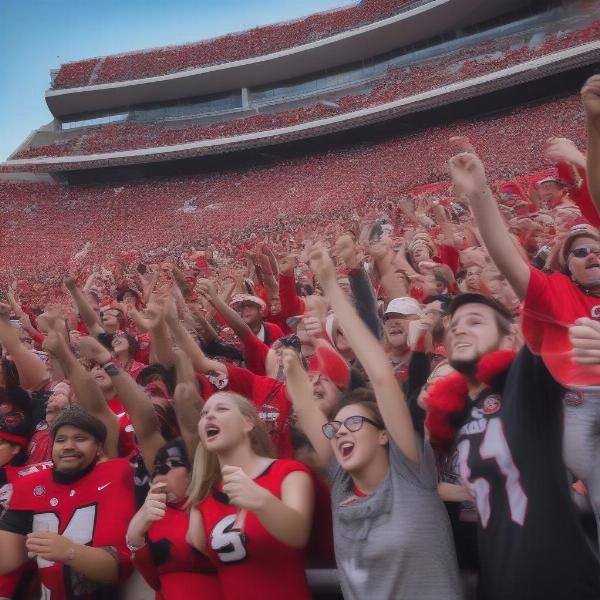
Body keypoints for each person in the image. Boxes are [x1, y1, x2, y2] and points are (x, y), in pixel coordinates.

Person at [284, 244, 462, 600]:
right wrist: (292, 370)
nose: (339, 433)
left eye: (354, 424)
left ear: (384, 435)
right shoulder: (340, 482)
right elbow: (305, 409)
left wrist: (331, 285)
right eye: (336, 428)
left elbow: (381, 376)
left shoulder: (410, 468)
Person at [448, 149, 600, 543]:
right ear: (567, 263)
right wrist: (480, 192)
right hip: (579, 407)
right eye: (580, 251)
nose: (592, 253)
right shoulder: (555, 292)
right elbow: (505, 254)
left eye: (597, 246)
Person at [425, 293, 600, 600]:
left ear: (510, 339)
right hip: (497, 581)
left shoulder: (524, 380)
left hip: (560, 581)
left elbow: (538, 298)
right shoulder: (463, 410)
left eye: (475, 321)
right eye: (454, 326)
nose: (459, 330)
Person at [186, 391, 315, 600]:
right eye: (204, 413)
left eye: (221, 409)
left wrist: (262, 501)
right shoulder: (204, 498)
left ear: (247, 423)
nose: (208, 416)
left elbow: (298, 534)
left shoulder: (289, 473)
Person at [0, 407, 137, 600]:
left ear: (98, 447)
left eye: (80, 439)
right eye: (61, 440)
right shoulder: (30, 486)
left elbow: (117, 568)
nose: (68, 446)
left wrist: (69, 552)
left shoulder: (115, 476)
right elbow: (5, 561)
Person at [126, 436, 223, 600]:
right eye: (156, 467)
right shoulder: (155, 515)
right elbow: (155, 581)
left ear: (195, 468)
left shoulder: (219, 502)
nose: (158, 473)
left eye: (172, 463)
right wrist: (135, 537)